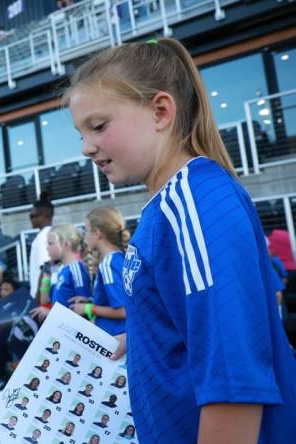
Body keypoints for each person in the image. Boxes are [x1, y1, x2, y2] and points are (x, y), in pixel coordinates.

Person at [68, 37, 296, 443]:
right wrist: (141, 341)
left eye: (99, 126)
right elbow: (189, 328)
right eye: (80, 133)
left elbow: (234, 382)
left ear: (160, 111)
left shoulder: (192, 201)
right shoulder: (170, 204)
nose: (86, 147)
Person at [69, 206, 129, 336]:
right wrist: (90, 301)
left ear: (97, 233)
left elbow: (124, 310)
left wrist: (88, 308)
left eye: (87, 230)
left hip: (117, 339)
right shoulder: (119, 258)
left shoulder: (108, 264)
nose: (85, 236)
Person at [31, 225, 90, 322]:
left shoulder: (76, 269)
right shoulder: (63, 271)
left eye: (51, 243)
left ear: (66, 245)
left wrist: (51, 314)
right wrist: (46, 275)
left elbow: (83, 310)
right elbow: (44, 300)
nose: (47, 248)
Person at [28, 194, 55, 300]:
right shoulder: (52, 233)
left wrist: (39, 299)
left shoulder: (43, 236)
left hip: (43, 296)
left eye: (32, 216)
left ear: (43, 215)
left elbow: (45, 268)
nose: (30, 219)